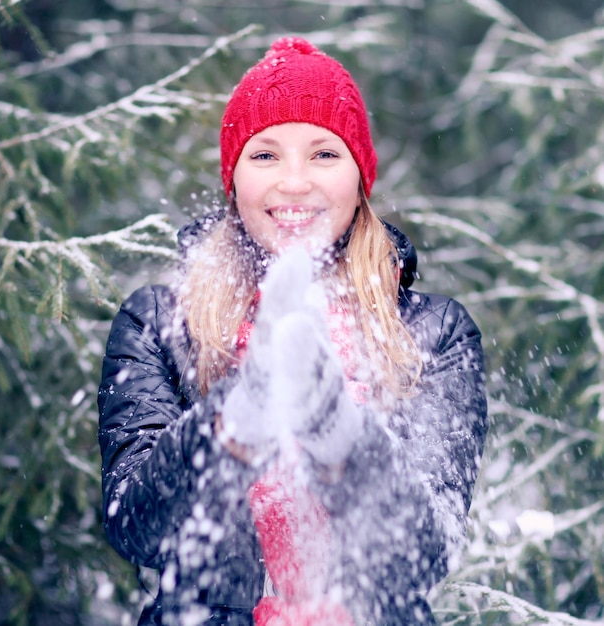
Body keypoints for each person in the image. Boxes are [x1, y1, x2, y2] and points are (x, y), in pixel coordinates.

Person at [98, 36, 488, 626]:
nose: (295, 182)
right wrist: (234, 419)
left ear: (361, 178)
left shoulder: (433, 333)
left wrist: (338, 433)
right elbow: (138, 528)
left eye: (325, 154)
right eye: (266, 155)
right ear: (233, 180)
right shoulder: (159, 323)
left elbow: (425, 553)